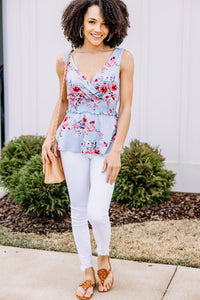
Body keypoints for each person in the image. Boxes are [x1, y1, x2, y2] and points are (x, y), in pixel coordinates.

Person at [42, 0, 134, 299]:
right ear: (80, 22)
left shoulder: (123, 58)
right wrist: (49, 137)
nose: (98, 29)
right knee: (79, 211)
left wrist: (117, 149)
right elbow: (63, 101)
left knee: (97, 211)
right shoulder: (65, 59)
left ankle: (104, 255)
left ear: (114, 25)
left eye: (105, 24)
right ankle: (87, 270)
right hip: (72, 142)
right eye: (93, 22)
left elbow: (126, 107)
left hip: (106, 143)